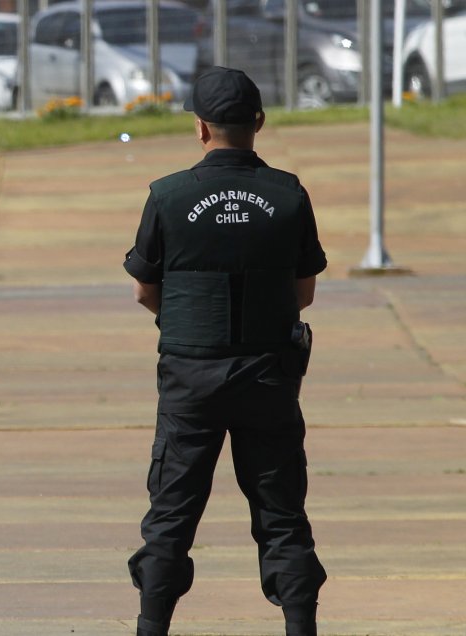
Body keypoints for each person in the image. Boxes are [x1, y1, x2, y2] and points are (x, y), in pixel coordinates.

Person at [122, 67, 328, 636]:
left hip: (190, 376)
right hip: (268, 375)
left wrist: (186, 321)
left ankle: (151, 626)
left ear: (200, 128)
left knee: (171, 515)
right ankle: (300, 626)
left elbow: (144, 288)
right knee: (282, 514)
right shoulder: (288, 194)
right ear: (259, 122)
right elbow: (304, 292)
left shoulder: (167, 196)